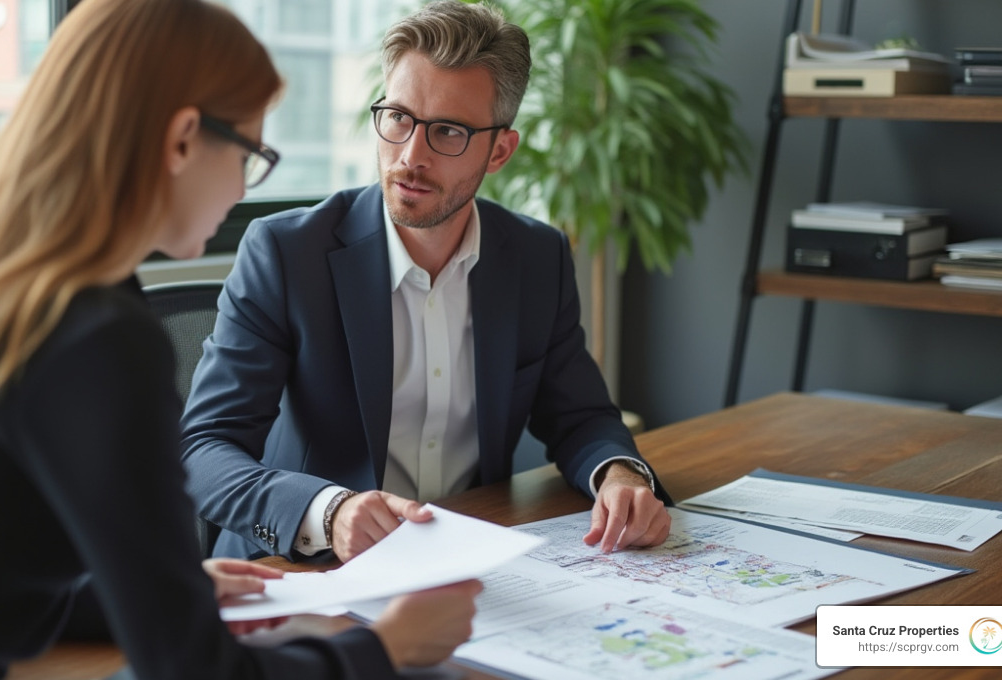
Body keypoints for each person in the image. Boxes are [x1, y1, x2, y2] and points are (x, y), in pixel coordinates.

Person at [0, 0, 481, 678]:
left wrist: (164, 592)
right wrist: (384, 649)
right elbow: (189, 671)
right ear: (181, 139)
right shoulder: (92, 332)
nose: (241, 189)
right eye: (250, 155)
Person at [180, 0, 673, 566]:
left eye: (448, 131)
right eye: (398, 118)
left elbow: (580, 416)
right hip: (305, 569)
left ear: (500, 151)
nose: (411, 155)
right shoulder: (286, 254)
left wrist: (618, 476)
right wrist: (329, 511)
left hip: (468, 557)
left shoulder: (538, 257)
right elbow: (204, 451)